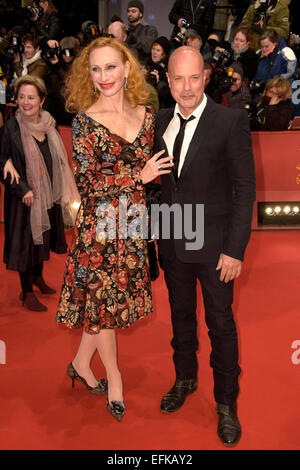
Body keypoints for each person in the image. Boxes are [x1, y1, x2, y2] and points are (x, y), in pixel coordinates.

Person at [55, 37, 173, 421]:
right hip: (100, 229)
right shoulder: (84, 122)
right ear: (87, 75)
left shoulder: (146, 114)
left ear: (126, 69)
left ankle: (81, 364)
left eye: (110, 67)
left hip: (133, 223)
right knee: (104, 305)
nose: (104, 76)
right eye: (95, 68)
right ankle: (115, 378)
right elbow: (88, 183)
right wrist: (137, 176)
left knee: (104, 304)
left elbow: (159, 174)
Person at [154, 46, 255, 446]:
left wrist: (234, 249)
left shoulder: (230, 120)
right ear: (167, 79)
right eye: (178, 78)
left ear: (207, 76)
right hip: (174, 242)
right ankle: (184, 379)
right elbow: (163, 186)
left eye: (194, 77)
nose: (186, 87)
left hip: (215, 248)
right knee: (180, 320)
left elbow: (245, 190)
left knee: (220, 324)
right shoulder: (160, 119)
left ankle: (226, 403)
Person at [0, 75, 80, 312]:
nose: (25, 102)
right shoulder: (10, 128)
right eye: (22, 97)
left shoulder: (49, 124)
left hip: (48, 193)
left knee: (43, 237)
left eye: (31, 97)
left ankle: (37, 277)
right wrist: (22, 189)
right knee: (26, 242)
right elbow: (1, 161)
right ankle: (26, 291)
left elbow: (56, 159)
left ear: (42, 100)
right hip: (23, 199)